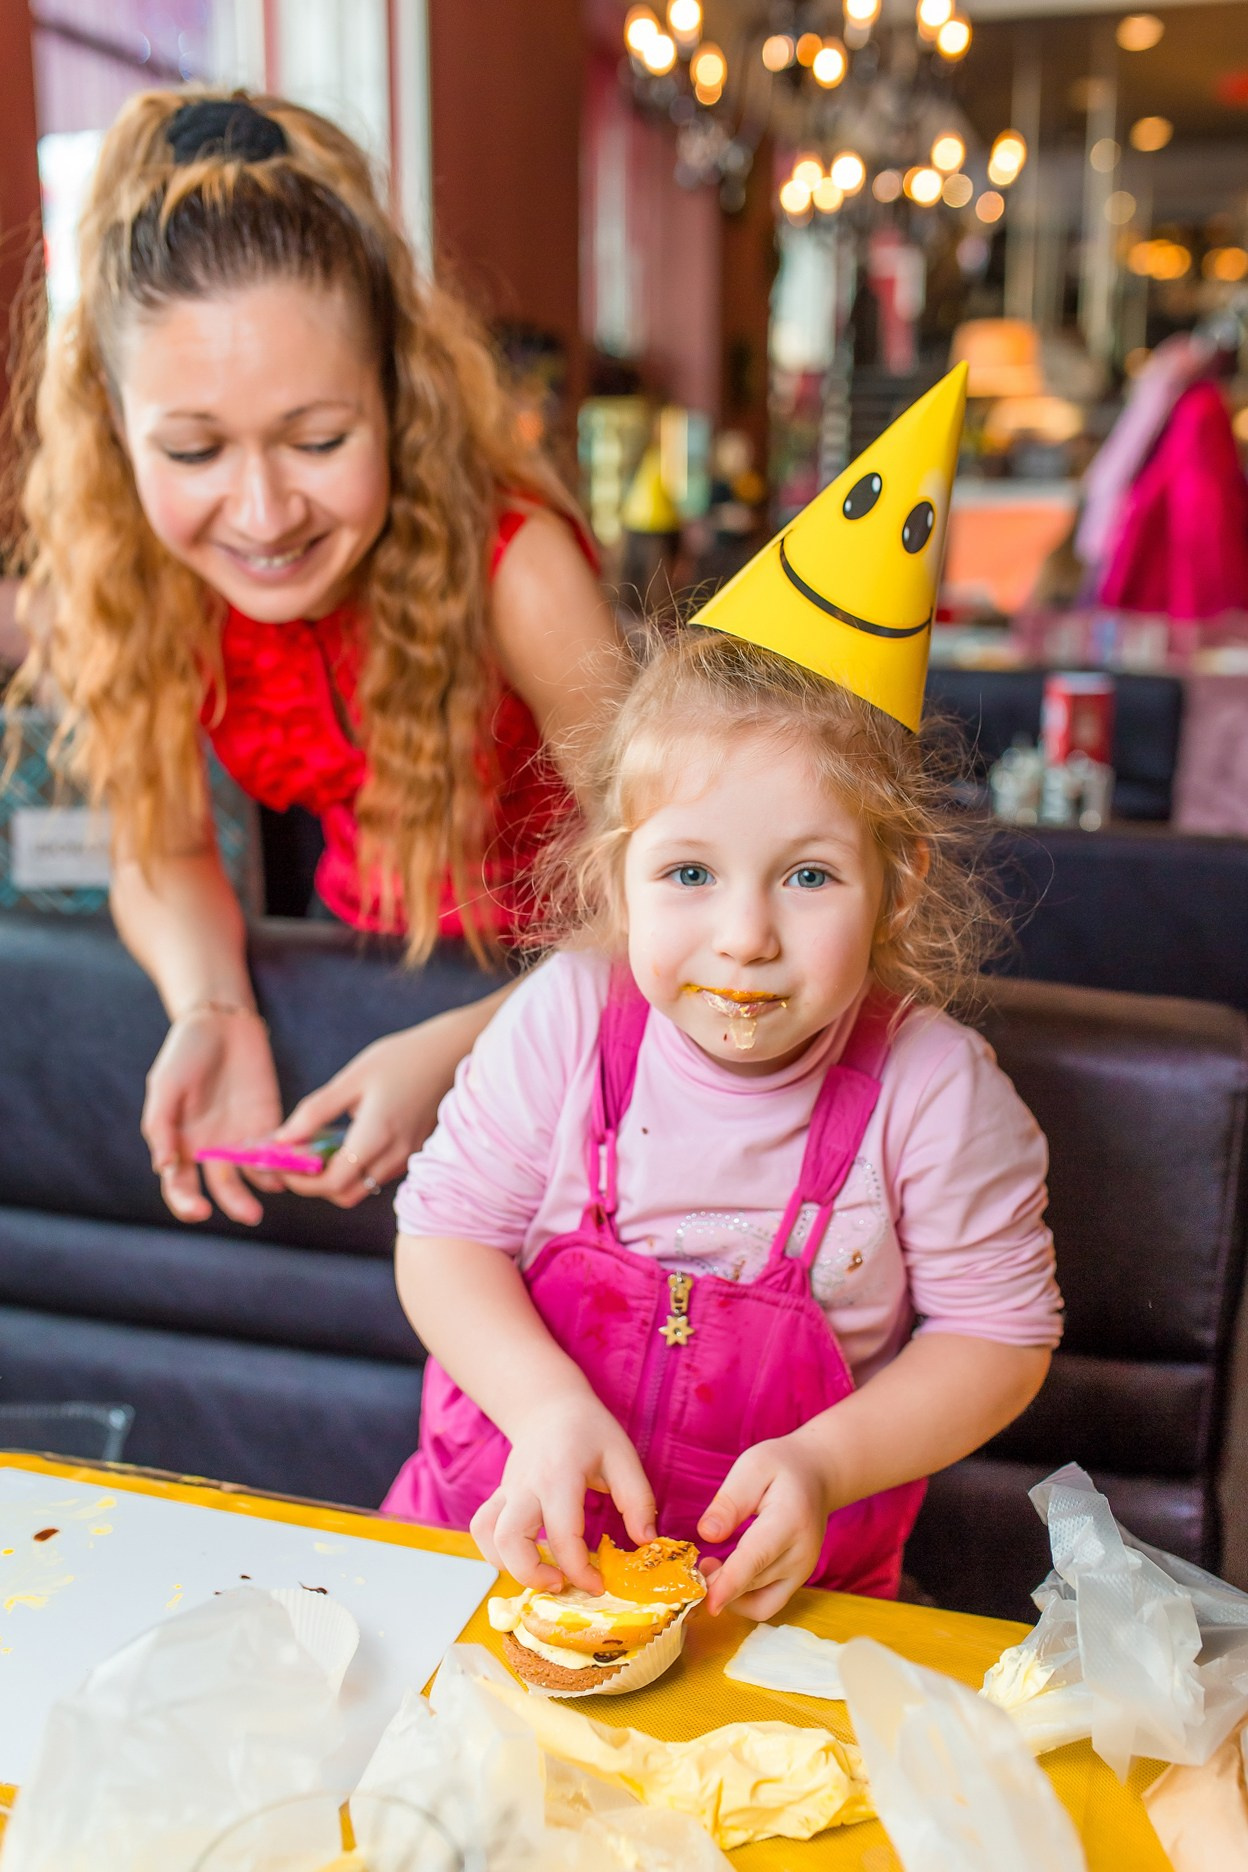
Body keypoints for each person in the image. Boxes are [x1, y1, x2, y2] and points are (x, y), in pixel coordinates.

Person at [384, 372, 1063, 1617]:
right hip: (487, 1560)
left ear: (895, 883)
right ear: (619, 876)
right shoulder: (565, 1025)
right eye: (689, 872)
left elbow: (1002, 1339)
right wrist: (544, 1406)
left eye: (807, 875)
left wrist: (824, 1461)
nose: (744, 938)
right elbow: (442, 1242)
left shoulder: (933, 1093)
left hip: (781, 1613)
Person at [9, 90, 626, 1227]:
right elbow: (162, 846)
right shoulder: (146, 579)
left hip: (585, 1035)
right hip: (361, 1010)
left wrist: (472, 1047)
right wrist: (211, 1008)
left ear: (397, 391)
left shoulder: (520, 573)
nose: (262, 510)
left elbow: (689, 889)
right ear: (110, 421)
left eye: (317, 439)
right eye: (193, 449)